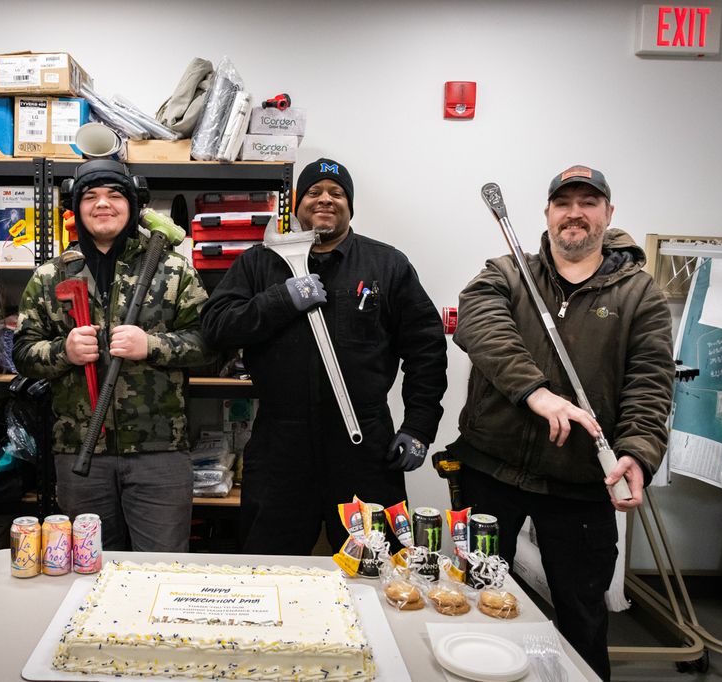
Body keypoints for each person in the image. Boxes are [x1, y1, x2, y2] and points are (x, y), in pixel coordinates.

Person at [447, 165, 674, 680]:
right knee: (477, 602)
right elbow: (480, 326)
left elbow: (651, 382)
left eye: (588, 202)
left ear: (608, 215)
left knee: (581, 618)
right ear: (547, 214)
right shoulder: (505, 272)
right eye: (563, 202)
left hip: (581, 487)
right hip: (492, 473)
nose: (575, 212)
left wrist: (637, 451)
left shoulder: (641, 296)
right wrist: (538, 393)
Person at [201, 157, 449, 554]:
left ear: (350, 206)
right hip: (280, 442)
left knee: (376, 565)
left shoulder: (387, 265)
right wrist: (282, 298)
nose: (325, 199)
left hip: (365, 445)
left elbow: (427, 350)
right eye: (314, 192)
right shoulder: (258, 262)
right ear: (296, 206)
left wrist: (419, 426)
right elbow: (216, 328)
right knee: (271, 566)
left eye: (337, 193)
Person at [12, 160, 213, 552]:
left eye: (114, 195)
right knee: (90, 573)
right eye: (90, 196)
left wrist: (151, 346)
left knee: (162, 572)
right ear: (76, 207)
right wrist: (63, 351)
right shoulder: (50, 276)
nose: (102, 204)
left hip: (160, 453)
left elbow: (209, 344)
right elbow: (21, 351)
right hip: (78, 453)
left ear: (134, 205)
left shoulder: (173, 270)